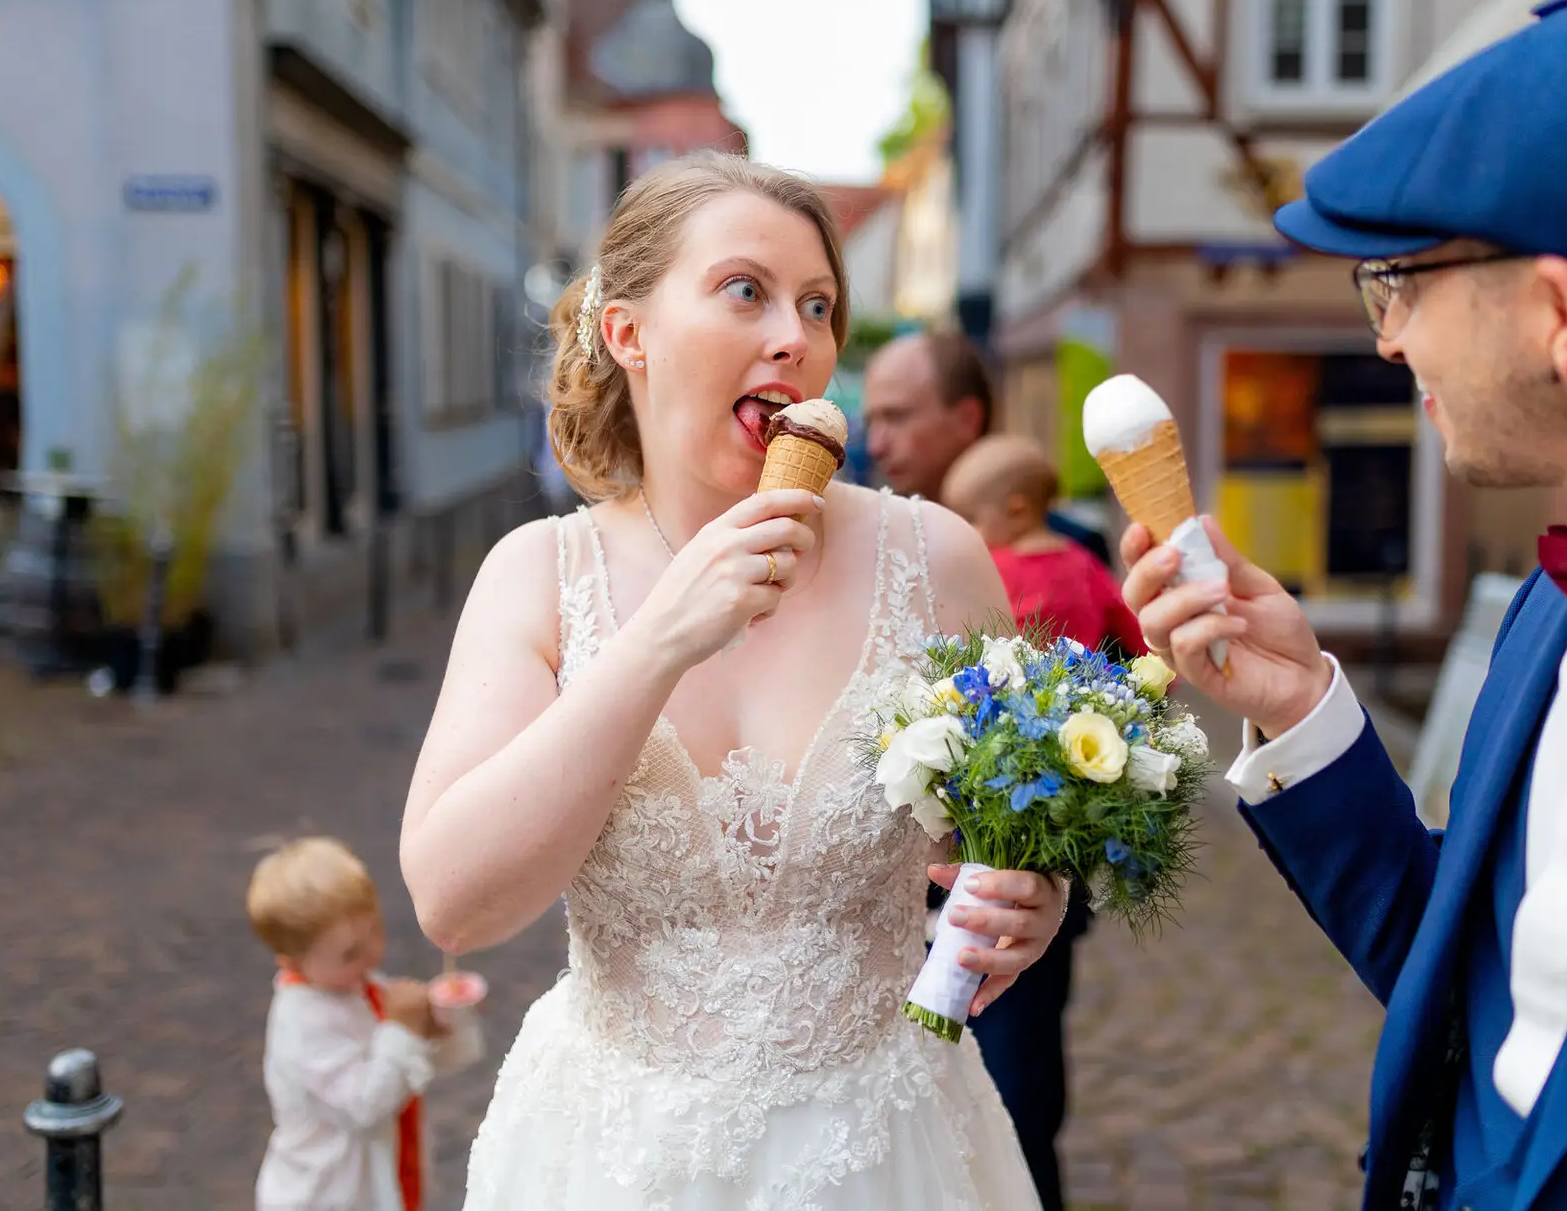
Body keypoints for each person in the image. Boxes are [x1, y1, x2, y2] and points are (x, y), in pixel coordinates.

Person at [1122, 0, 1567, 1210]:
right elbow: (1480, 991)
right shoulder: (1549, 616)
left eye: (1400, 283)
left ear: (1558, 316)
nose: (1391, 342)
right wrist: (1302, 710)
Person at [400, 152, 1064, 1210]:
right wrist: (657, 641)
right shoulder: (537, 575)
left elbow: (1001, 840)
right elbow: (455, 904)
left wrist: (1033, 897)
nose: (796, 339)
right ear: (630, 334)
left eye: (819, 305)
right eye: (745, 291)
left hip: (886, 1148)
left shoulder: (934, 558)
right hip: (611, 1158)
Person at [864, 340, 1098, 1211]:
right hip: (871, 930)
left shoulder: (1063, 556)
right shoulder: (858, 546)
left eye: (897, 415)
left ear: (966, 420)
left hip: (1009, 894)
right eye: (873, 415)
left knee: (1014, 1112)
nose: (874, 436)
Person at [248, 836, 479, 1211]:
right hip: (323, 1197)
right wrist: (404, 1031)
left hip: (379, 1182)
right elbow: (364, 1105)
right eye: (349, 953)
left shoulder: (357, 985)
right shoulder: (302, 1025)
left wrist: (437, 1025)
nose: (371, 953)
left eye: (375, 929)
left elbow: (416, 1067)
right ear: (292, 963)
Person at [862, 330, 1112, 567]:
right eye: (870, 421)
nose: (876, 446)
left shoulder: (1074, 552)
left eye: (896, 417)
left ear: (967, 419)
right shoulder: (873, 544)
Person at [943, 433, 1146, 658]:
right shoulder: (1084, 563)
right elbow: (1134, 626)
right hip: (1082, 687)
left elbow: (960, 630)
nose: (967, 530)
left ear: (1017, 510)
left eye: (972, 519)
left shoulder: (992, 567)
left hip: (1005, 688)